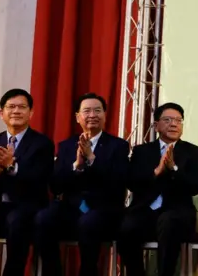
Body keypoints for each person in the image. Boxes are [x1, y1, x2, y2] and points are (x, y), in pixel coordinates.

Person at [34, 93, 129, 276]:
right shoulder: (67, 146)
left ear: (105, 115)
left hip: (105, 210)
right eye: (86, 111)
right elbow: (55, 186)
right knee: (43, 219)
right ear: (77, 117)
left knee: (89, 222)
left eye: (97, 110)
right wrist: (76, 166)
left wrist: (92, 159)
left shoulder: (118, 146)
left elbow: (117, 184)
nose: (92, 115)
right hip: (72, 207)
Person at [0, 89, 54, 276]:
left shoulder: (42, 143)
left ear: (31, 113)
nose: (16, 111)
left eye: (22, 107)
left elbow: (40, 177)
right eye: (11, 107)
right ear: (1, 113)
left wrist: (12, 167)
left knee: (16, 220)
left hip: (29, 207)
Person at [117, 102, 198, 276]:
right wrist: (156, 172)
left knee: (168, 222)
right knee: (126, 227)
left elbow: (196, 187)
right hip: (145, 212)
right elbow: (132, 183)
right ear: (156, 125)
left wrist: (174, 169)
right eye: (168, 120)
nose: (174, 124)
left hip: (178, 213)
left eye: (178, 121)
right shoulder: (142, 151)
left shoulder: (193, 152)